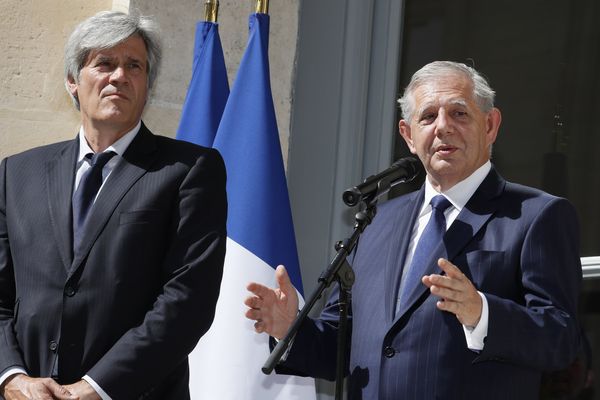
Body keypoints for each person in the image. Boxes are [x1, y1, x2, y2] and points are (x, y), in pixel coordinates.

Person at [245, 61, 582, 399]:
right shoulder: (377, 221)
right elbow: (343, 343)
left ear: (491, 125)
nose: (443, 127)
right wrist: (291, 329)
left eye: (459, 114)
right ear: (408, 135)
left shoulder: (536, 215)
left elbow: (562, 339)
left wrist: (482, 313)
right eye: (428, 117)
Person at [0, 11, 227, 400]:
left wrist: (95, 388)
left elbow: (187, 300)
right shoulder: (16, 173)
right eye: (104, 63)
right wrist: (12, 378)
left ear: (147, 85)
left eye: (133, 66)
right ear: (73, 81)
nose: (119, 76)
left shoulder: (189, 170)